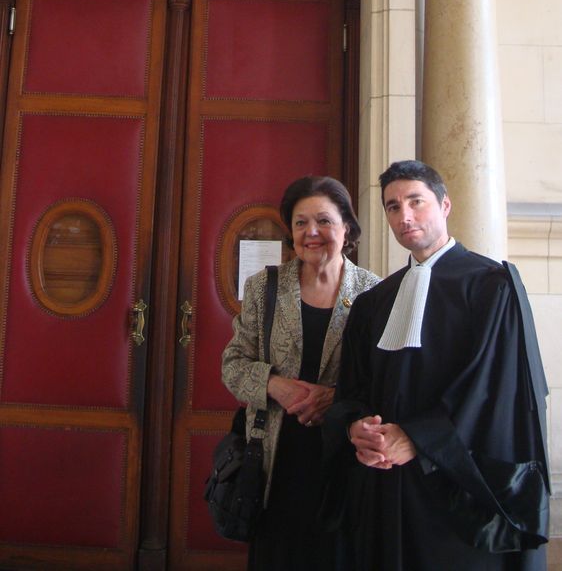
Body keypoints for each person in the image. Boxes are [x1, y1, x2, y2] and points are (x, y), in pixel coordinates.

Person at [323, 159, 550, 571]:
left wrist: (420, 440)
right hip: (387, 483)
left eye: (416, 201)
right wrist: (356, 427)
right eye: (393, 206)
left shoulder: (492, 286)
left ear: (444, 205)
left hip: (458, 487)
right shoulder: (375, 301)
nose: (404, 215)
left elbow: (493, 388)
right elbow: (353, 387)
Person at [221, 175, 380, 571]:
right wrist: (276, 386)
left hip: (343, 458)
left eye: (324, 221)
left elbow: (385, 379)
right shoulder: (265, 288)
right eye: (300, 222)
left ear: (347, 227)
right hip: (276, 459)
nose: (312, 232)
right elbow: (233, 365)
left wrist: (335, 397)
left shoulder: (373, 294)